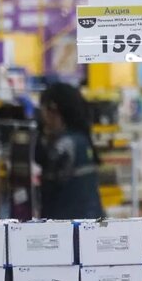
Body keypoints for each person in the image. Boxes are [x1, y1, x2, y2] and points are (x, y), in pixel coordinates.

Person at [37, 83, 105, 220]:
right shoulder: (82, 139)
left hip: (67, 223)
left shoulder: (63, 146)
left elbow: (48, 189)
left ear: (53, 108)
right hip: (91, 220)